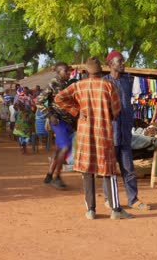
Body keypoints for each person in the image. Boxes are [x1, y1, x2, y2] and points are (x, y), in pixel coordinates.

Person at [55, 57, 132, 220]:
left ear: (85, 72)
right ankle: (115, 210)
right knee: (108, 170)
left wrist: (76, 111)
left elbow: (59, 98)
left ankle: (91, 210)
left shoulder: (78, 86)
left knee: (87, 170)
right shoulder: (109, 85)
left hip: (85, 134)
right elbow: (116, 109)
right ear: (100, 71)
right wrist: (107, 115)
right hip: (103, 133)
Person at [104, 50, 151, 210]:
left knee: (128, 168)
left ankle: (133, 199)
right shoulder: (104, 82)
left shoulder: (128, 80)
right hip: (110, 132)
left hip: (125, 131)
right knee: (108, 169)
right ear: (110, 64)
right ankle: (108, 198)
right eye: (120, 61)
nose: (123, 64)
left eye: (123, 61)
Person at [36, 62, 77, 190]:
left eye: (69, 71)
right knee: (65, 148)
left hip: (68, 123)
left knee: (60, 149)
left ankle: (49, 176)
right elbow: (38, 102)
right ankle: (57, 177)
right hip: (58, 122)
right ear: (58, 72)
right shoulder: (53, 83)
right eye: (66, 71)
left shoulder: (67, 84)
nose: (68, 73)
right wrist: (50, 115)